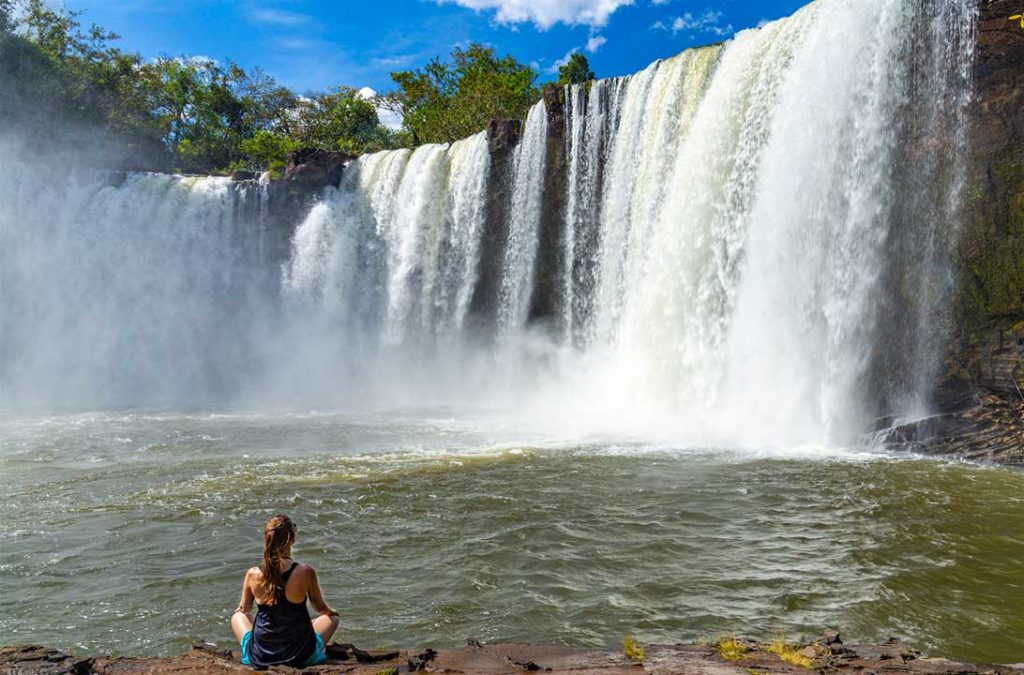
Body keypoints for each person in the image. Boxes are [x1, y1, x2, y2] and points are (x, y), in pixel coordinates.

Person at [231, 514, 340, 669]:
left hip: (261, 657)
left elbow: (245, 609)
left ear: (266, 539)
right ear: (292, 539)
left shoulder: (253, 574)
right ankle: (311, 646)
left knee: (238, 616)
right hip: (300, 655)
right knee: (333, 619)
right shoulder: (305, 572)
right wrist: (333, 612)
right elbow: (320, 608)